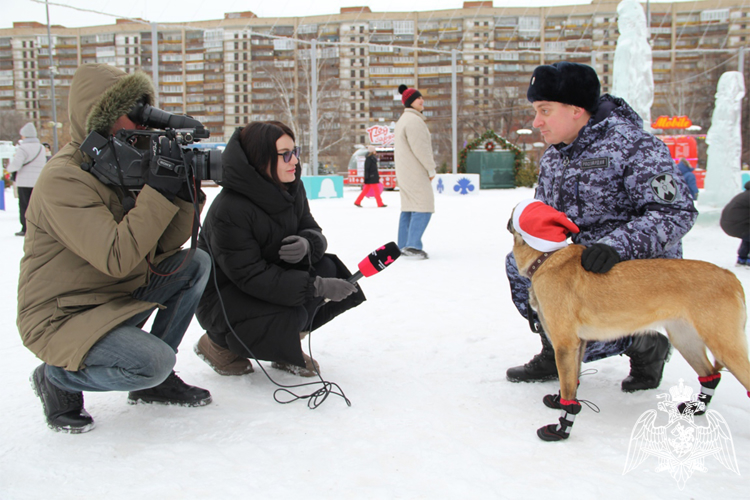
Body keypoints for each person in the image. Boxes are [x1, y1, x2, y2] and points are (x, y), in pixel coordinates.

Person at [18, 63, 212, 434]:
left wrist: (182, 191)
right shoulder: (64, 177)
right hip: (64, 314)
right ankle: (56, 376)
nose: (143, 125)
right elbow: (117, 257)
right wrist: (156, 192)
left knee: (196, 263)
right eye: (133, 114)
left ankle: (155, 384)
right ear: (102, 116)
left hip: (112, 294)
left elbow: (161, 247)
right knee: (149, 362)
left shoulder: (120, 163)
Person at [505, 61, 697, 392]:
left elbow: (675, 212)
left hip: (630, 264)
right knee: (519, 267)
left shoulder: (634, 146)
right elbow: (548, 217)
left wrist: (616, 246)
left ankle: (643, 343)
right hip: (577, 261)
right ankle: (557, 348)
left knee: (587, 329)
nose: (536, 122)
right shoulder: (554, 156)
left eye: (544, 110)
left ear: (577, 110)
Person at [195, 121, 366, 378]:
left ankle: (285, 347)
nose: (294, 160)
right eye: (285, 154)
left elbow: (313, 229)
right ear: (260, 158)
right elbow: (250, 276)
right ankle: (217, 344)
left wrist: (308, 243)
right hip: (225, 298)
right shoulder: (229, 209)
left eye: (295, 151)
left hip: (267, 280)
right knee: (298, 305)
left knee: (329, 267)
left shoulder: (292, 187)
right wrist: (315, 287)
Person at [394, 84, 436, 259]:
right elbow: (421, 148)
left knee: (409, 208)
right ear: (410, 102)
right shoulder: (413, 121)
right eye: (418, 98)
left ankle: (403, 245)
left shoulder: (403, 120)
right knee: (423, 206)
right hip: (415, 171)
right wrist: (431, 168)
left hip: (404, 172)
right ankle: (412, 246)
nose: (422, 100)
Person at [7, 122, 47, 236]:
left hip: (24, 181)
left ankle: (26, 228)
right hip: (38, 180)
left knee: (24, 205)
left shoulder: (23, 148)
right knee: (36, 204)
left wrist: (9, 169)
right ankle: (39, 226)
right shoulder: (41, 148)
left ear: (25, 135)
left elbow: (16, 164)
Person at [719, 180, 750, 267]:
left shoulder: (745, 194)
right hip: (737, 225)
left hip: (730, 224)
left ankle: (742, 258)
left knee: (747, 235)